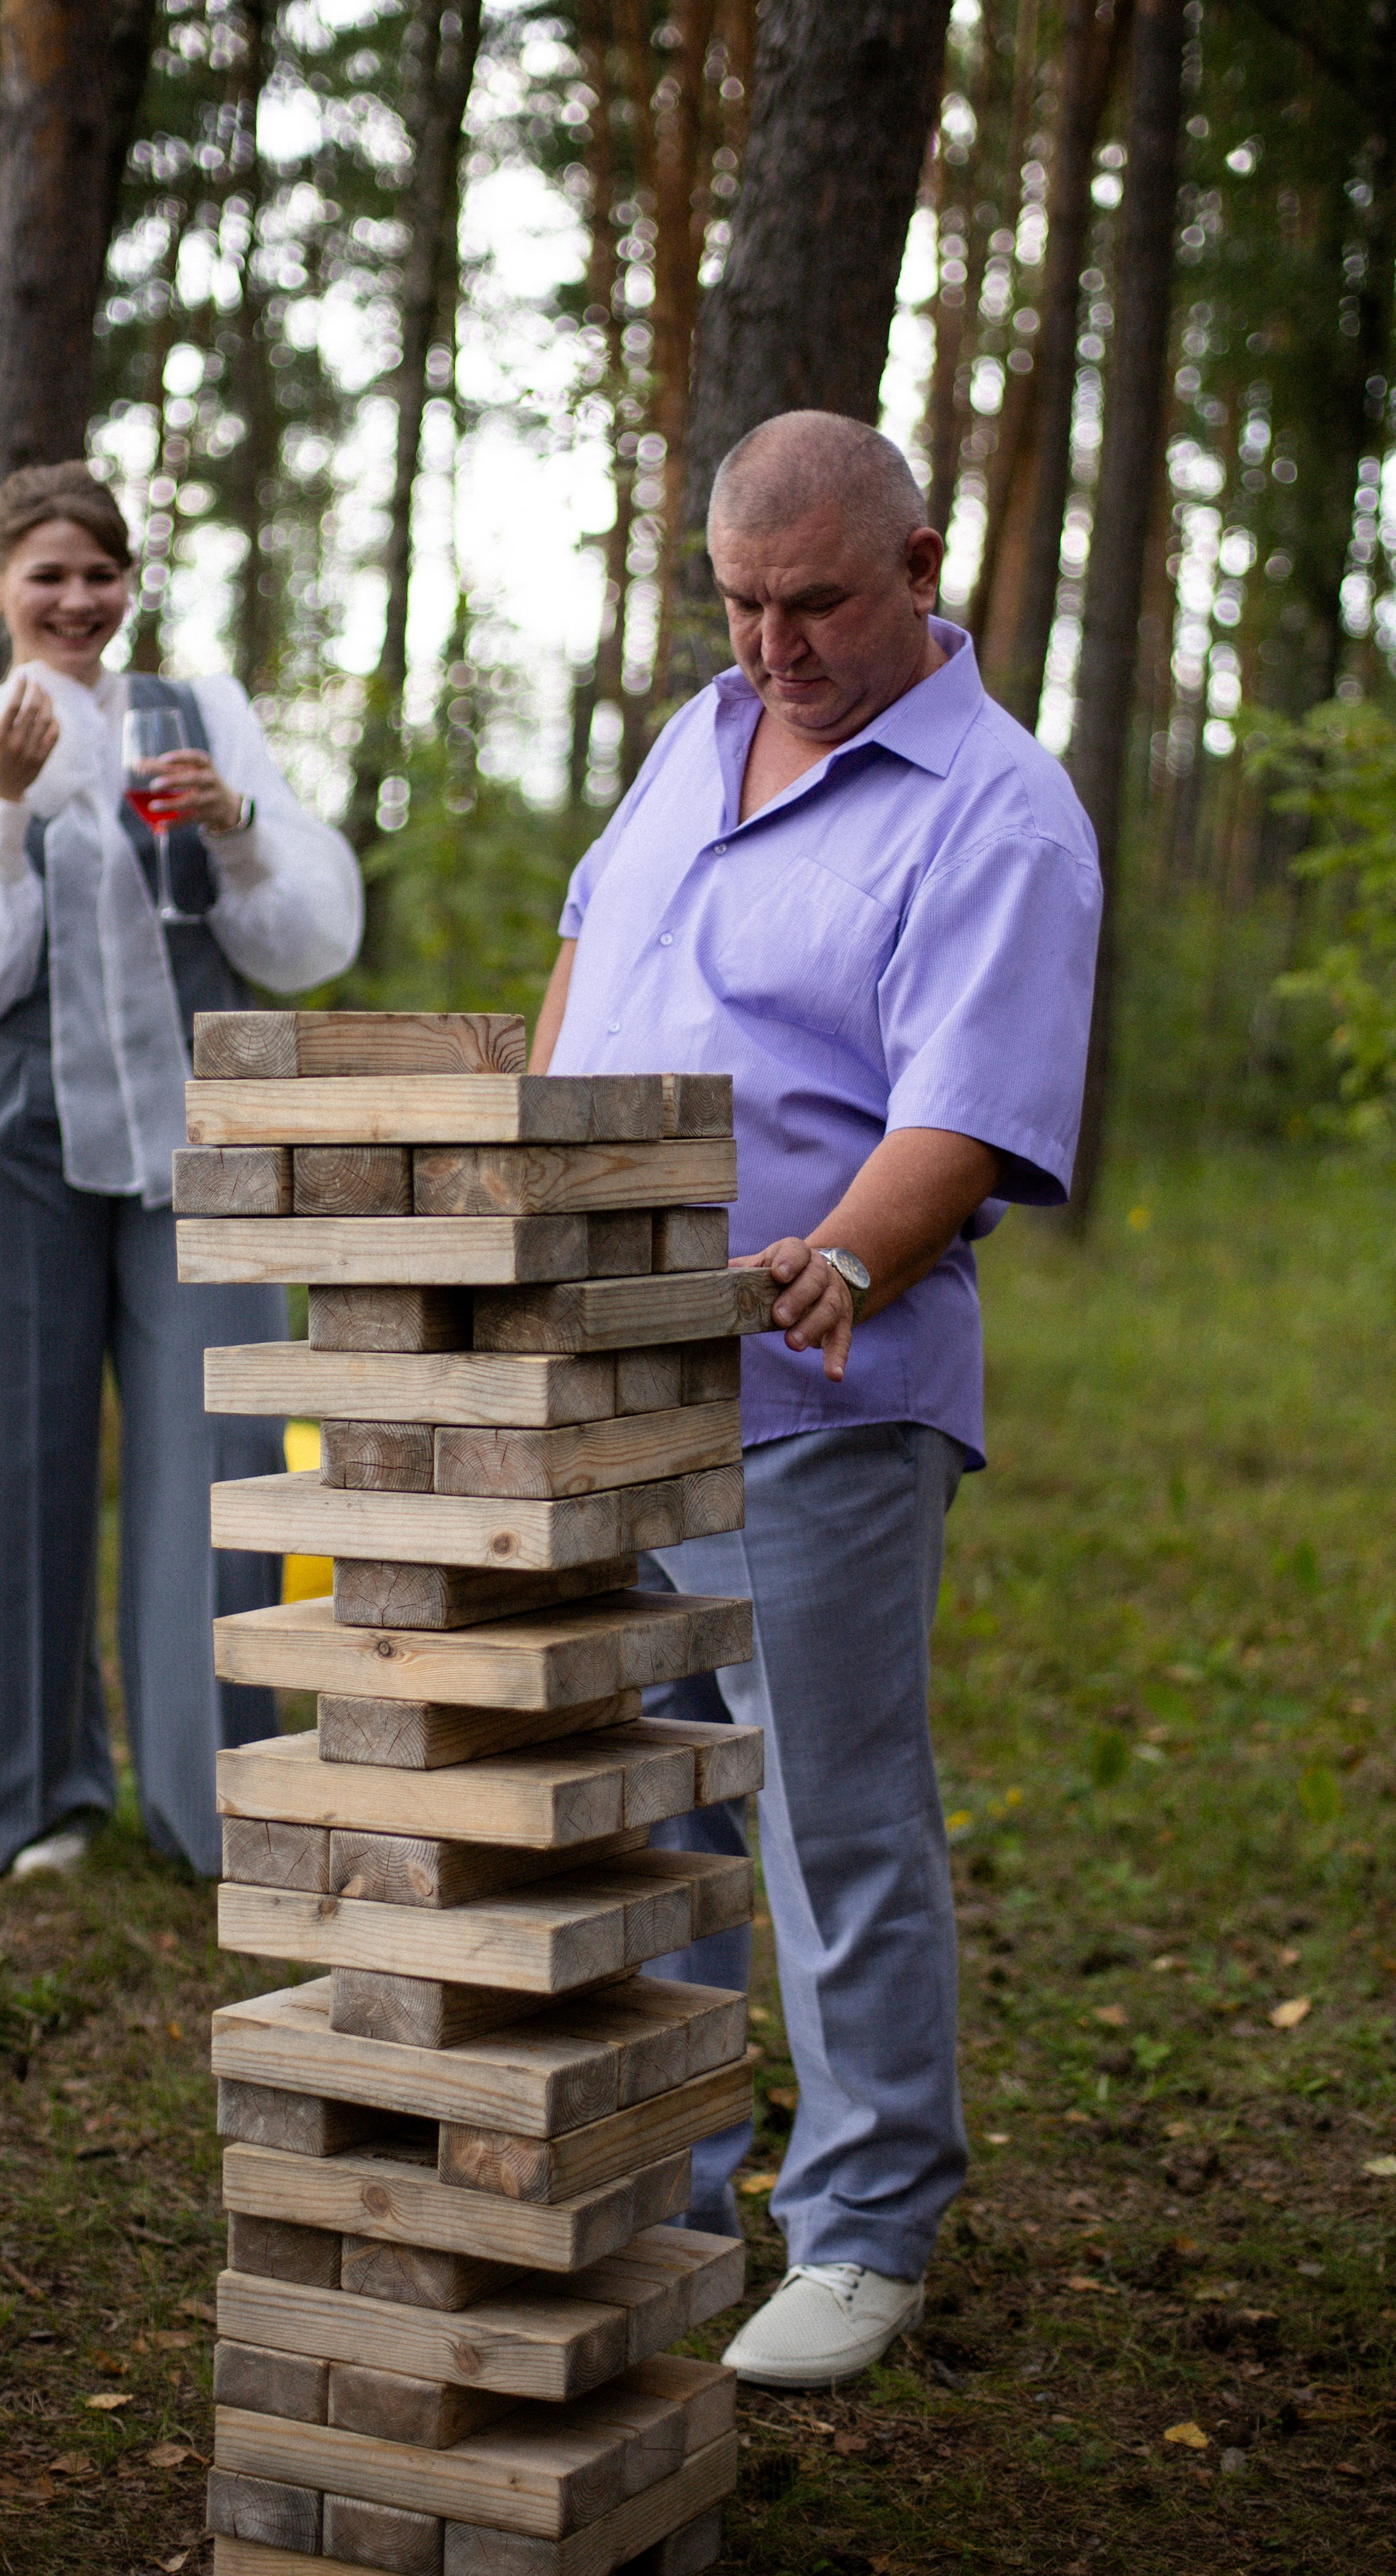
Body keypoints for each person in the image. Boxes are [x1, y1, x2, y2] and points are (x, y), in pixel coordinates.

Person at [530, 411, 1101, 2389]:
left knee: (830, 1818)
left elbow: (968, 1107)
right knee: (654, 1805)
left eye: (815, 605)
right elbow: (587, 955)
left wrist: (845, 1256)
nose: (772, 646)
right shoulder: (693, 737)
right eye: (740, 604)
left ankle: (864, 2230)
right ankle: (672, 2190)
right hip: (612, 1374)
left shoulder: (997, 811)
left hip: (817, 1386)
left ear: (921, 569)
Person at [0, 462, 363, 1881]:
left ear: (130, 584)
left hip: (198, 1134)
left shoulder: (204, 718)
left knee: (221, 1453)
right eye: (49, 575)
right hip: (13, 1134)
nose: (78, 600)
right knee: (20, 1458)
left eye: (101, 573)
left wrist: (237, 826)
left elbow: (308, 943)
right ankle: (41, 1805)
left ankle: (220, 1808)